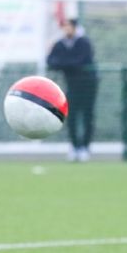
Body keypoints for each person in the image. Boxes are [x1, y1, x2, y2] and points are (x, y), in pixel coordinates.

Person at [47, 18, 98, 162]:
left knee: (87, 116)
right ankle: (74, 146)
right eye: (64, 26)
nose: (66, 29)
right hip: (71, 85)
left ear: (75, 28)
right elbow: (51, 62)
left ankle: (85, 147)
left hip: (88, 85)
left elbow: (82, 61)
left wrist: (63, 64)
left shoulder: (84, 43)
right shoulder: (60, 44)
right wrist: (68, 64)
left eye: (69, 26)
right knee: (71, 116)